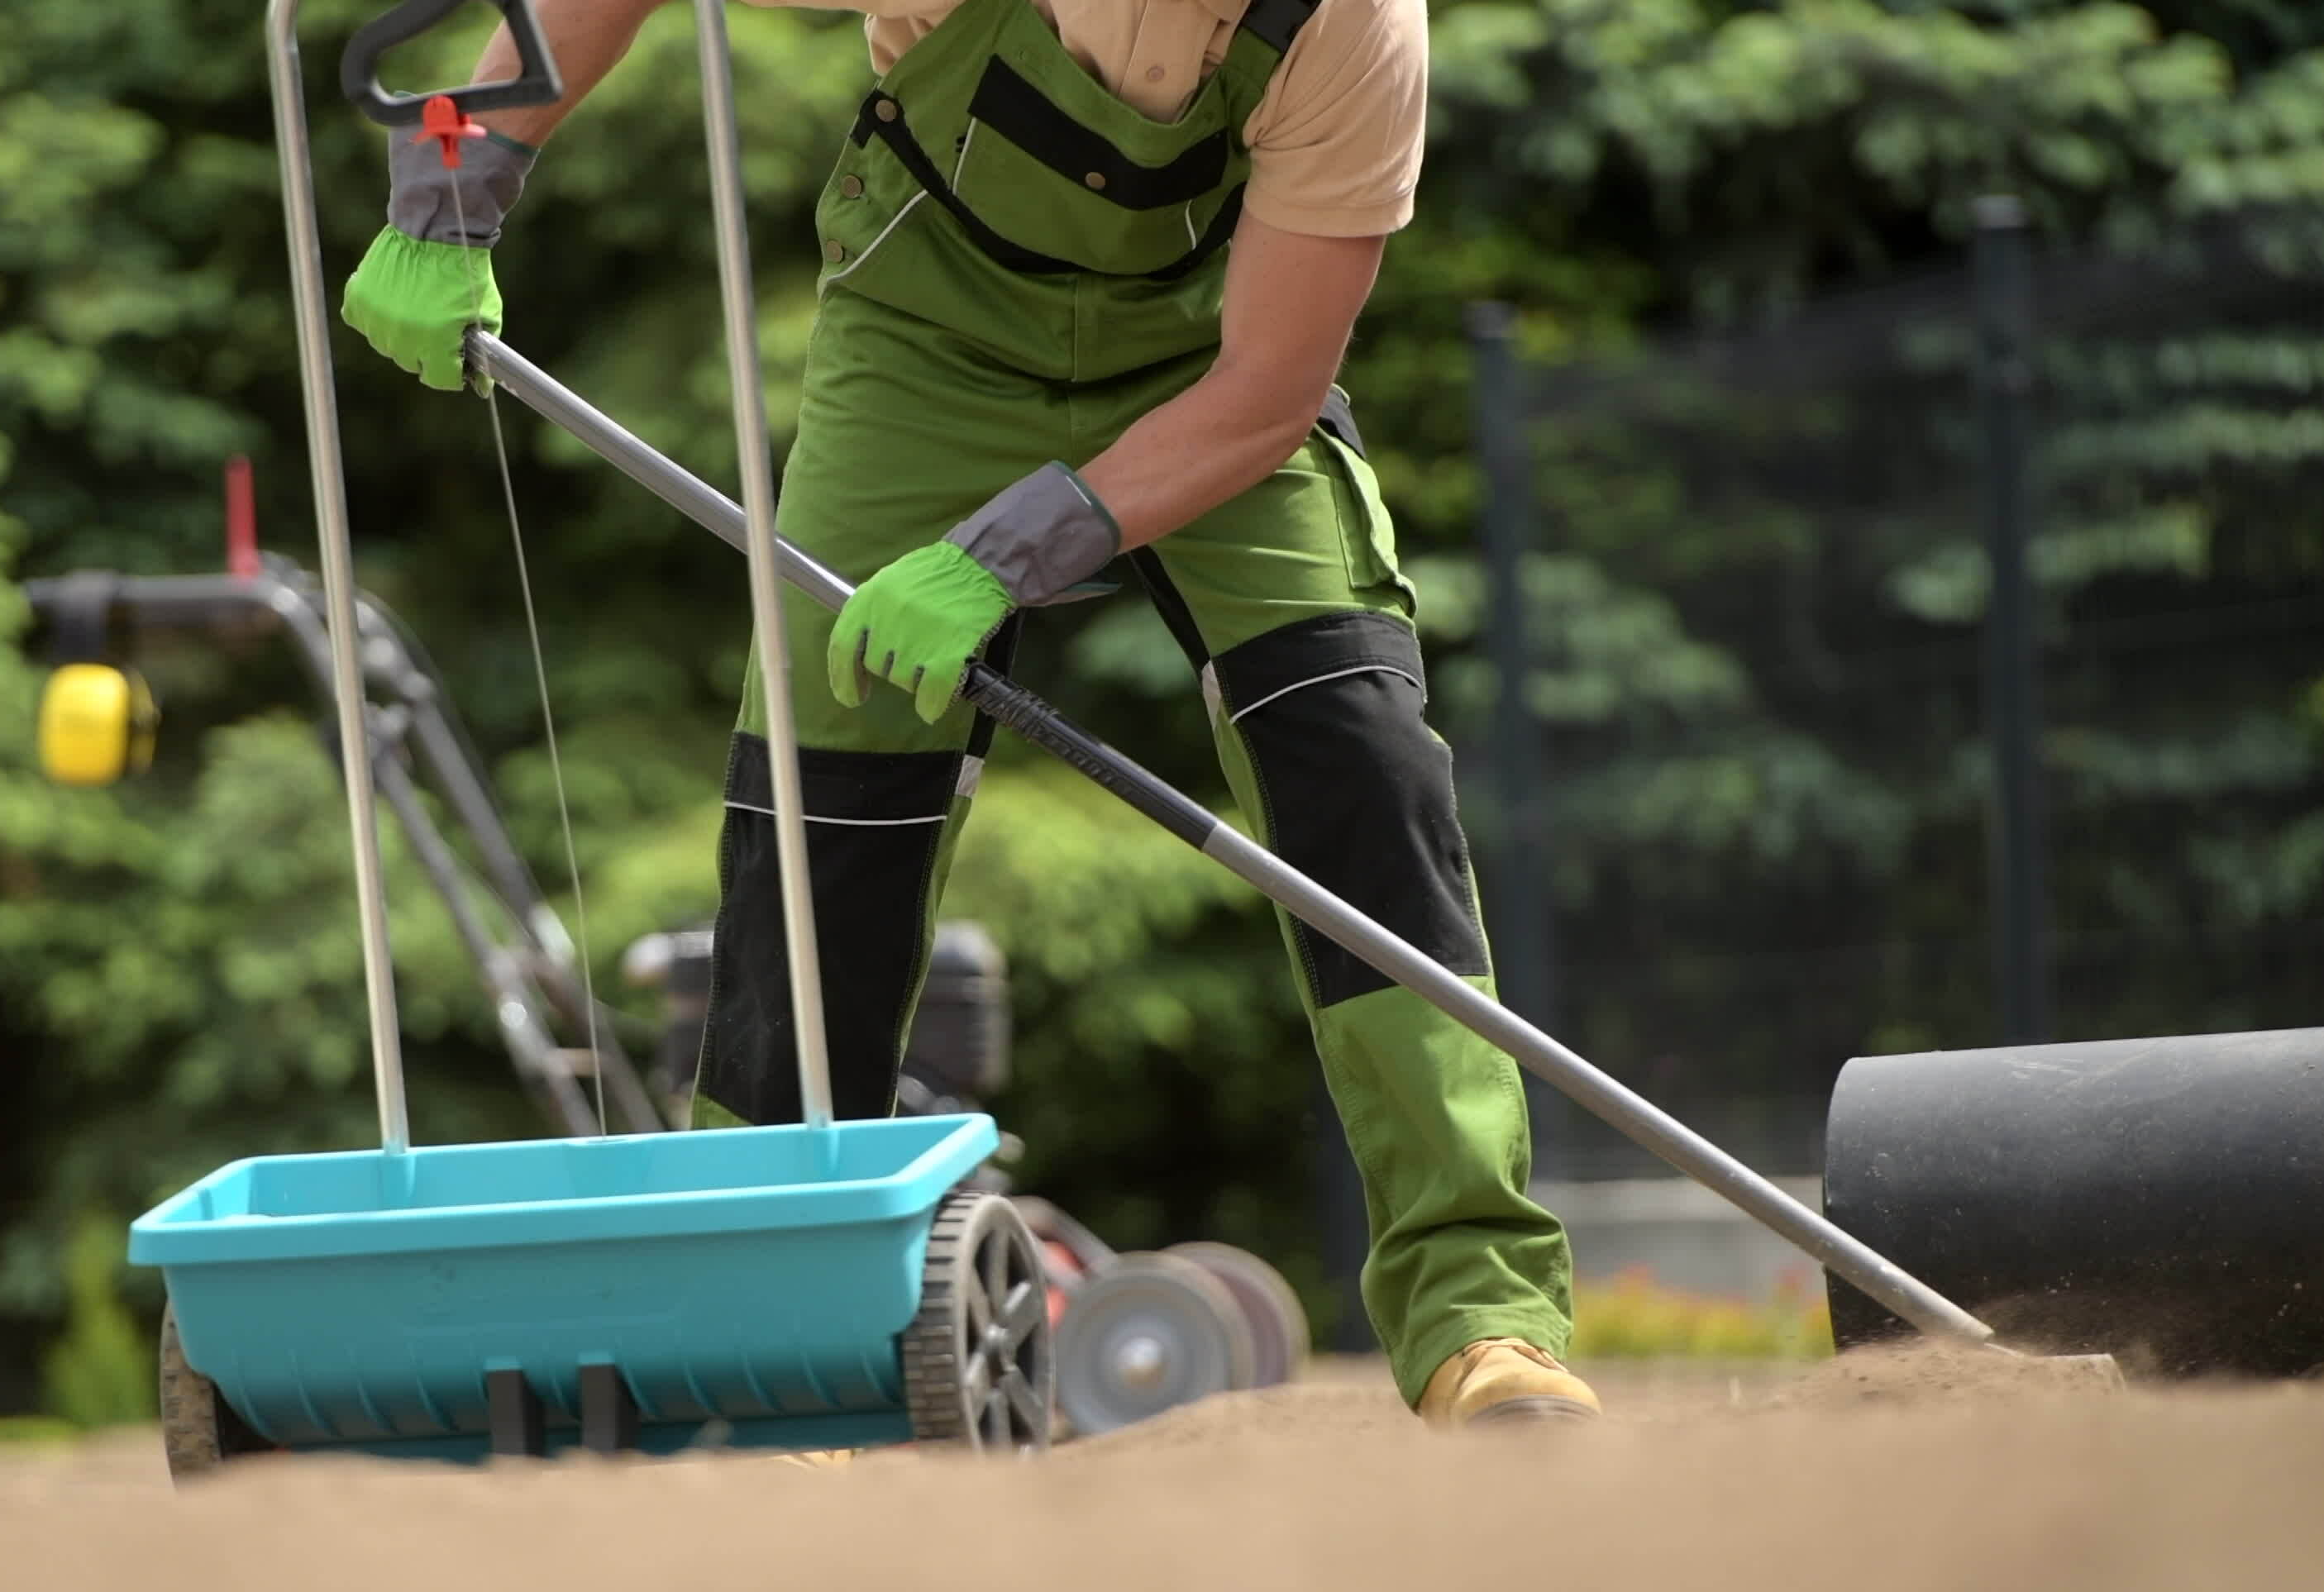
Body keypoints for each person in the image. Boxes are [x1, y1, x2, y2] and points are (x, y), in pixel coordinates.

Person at [341, 0, 1600, 1428]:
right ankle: (777, 1356)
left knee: (1359, 753)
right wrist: (461, 177)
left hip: (1211, 377)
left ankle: (1480, 1321)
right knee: (823, 815)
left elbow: (1269, 387)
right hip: (925, 346)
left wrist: (1009, 553)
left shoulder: (1354, 32)